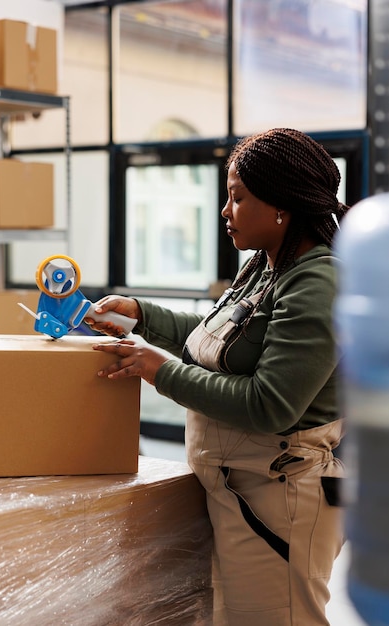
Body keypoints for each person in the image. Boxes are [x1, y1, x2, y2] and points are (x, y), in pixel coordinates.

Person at [85, 127, 348, 626]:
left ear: (282, 206)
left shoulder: (317, 280)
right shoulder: (265, 268)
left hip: (281, 500)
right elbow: (213, 340)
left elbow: (269, 405)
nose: (225, 212)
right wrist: (140, 315)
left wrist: (159, 371)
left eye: (236, 197)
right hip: (241, 491)